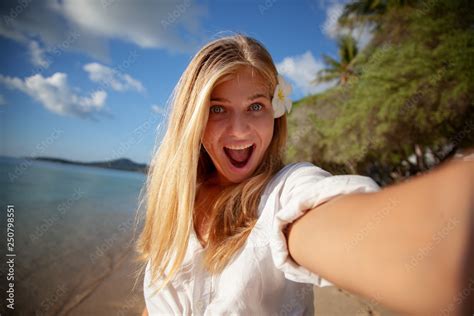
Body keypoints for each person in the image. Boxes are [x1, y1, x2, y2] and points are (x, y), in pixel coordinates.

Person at [135, 34, 473, 315]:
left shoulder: (285, 193)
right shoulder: (175, 205)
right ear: (192, 120)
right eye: (217, 109)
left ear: (275, 113)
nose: (239, 130)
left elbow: (426, 249)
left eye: (256, 106)